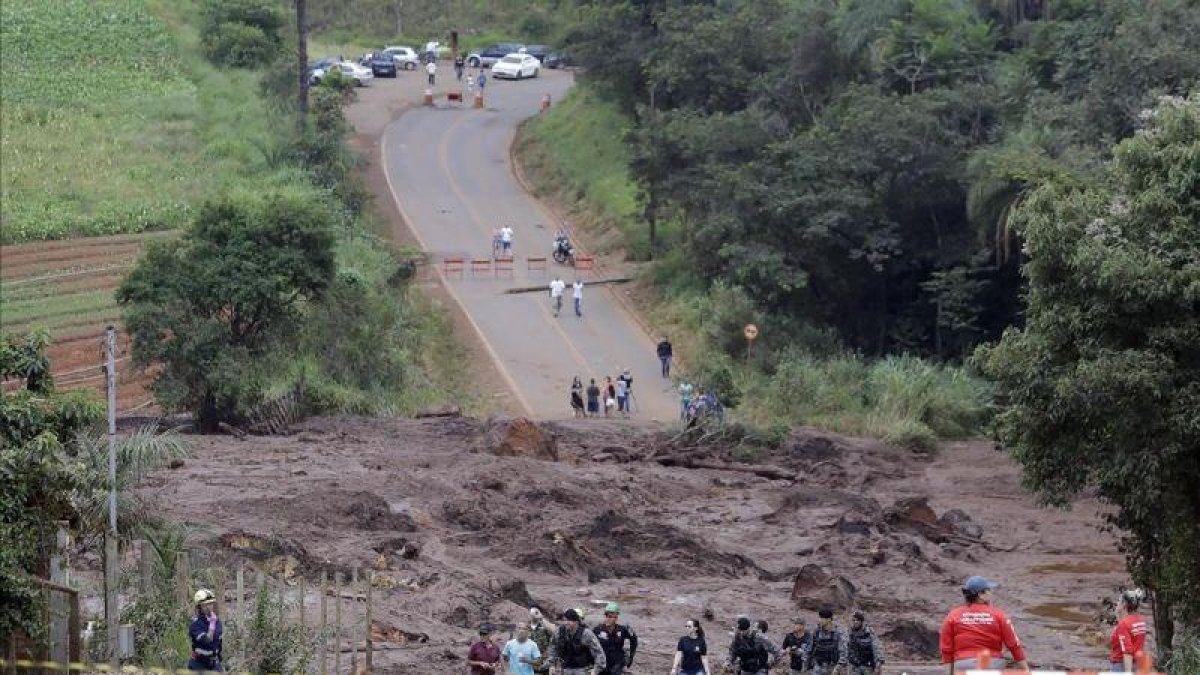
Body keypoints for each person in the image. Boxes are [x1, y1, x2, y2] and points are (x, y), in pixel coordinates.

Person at [940, 576, 1029, 673]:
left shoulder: (953, 615)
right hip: (991, 663)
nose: (991, 593)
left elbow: (946, 649)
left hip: (963, 664)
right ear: (980, 595)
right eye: (988, 590)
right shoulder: (999, 614)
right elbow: (1014, 645)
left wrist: (949, 673)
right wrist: (1026, 670)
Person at [549, 608, 606, 675]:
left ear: (576, 622)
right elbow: (553, 647)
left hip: (582, 669)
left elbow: (598, 652)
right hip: (563, 669)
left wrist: (596, 669)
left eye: (569, 620)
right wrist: (552, 665)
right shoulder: (559, 632)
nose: (566, 623)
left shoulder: (586, 634)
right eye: (565, 620)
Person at [1110, 589, 1149, 672]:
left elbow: (1127, 652)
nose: (1117, 604)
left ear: (1124, 604)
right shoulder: (1140, 620)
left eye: (1119, 601)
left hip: (1122, 666)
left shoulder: (1124, 624)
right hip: (1136, 665)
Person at [594, 602, 638, 675]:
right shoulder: (597, 630)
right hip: (602, 664)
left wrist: (631, 657)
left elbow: (634, 640)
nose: (608, 619)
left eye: (611, 616)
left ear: (616, 617)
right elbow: (589, 645)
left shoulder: (622, 630)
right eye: (607, 616)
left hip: (617, 664)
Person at [188, 589, 224, 671]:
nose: (209, 607)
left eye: (211, 603)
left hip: (214, 665)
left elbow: (219, 642)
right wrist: (212, 625)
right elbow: (208, 640)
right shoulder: (195, 624)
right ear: (199, 607)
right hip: (198, 665)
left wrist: (219, 658)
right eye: (205, 605)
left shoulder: (217, 622)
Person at [806, 607, 847, 675]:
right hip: (818, 667)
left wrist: (838, 668)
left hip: (833, 668)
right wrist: (808, 666)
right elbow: (810, 648)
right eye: (819, 617)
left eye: (822, 618)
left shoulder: (838, 632)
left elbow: (844, 651)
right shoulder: (816, 631)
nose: (819, 620)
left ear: (829, 619)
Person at [847, 611, 884, 675]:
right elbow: (845, 648)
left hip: (868, 666)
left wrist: (878, 662)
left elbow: (877, 647)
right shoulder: (850, 633)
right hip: (854, 667)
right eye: (854, 620)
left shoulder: (869, 632)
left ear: (861, 621)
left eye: (857, 620)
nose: (855, 622)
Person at [528, 608, 557, 675]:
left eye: (537, 612)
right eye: (533, 613)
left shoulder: (545, 627)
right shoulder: (526, 628)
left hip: (545, 662)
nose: (535, 614)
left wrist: (541, 618)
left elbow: (555, 632)